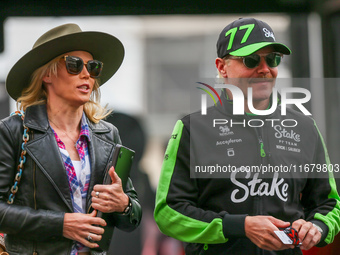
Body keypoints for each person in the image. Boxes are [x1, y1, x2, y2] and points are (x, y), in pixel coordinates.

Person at [154, 17, 340, 255]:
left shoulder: (304, 127)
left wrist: (318, 226)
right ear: (222, 67)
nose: (264, 69)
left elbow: (329, 204)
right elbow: (168, 212)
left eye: (272, 59)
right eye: (251, 60)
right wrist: (239, 226)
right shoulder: (192, 128)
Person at [0, 23, 142, 255]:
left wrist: (123, 204)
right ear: (47, 74)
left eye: (93, 67)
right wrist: (60, 224)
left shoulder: (108, 134)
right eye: (74, 65)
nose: (87, 74)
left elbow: (132, 218)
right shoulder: (13, 131)